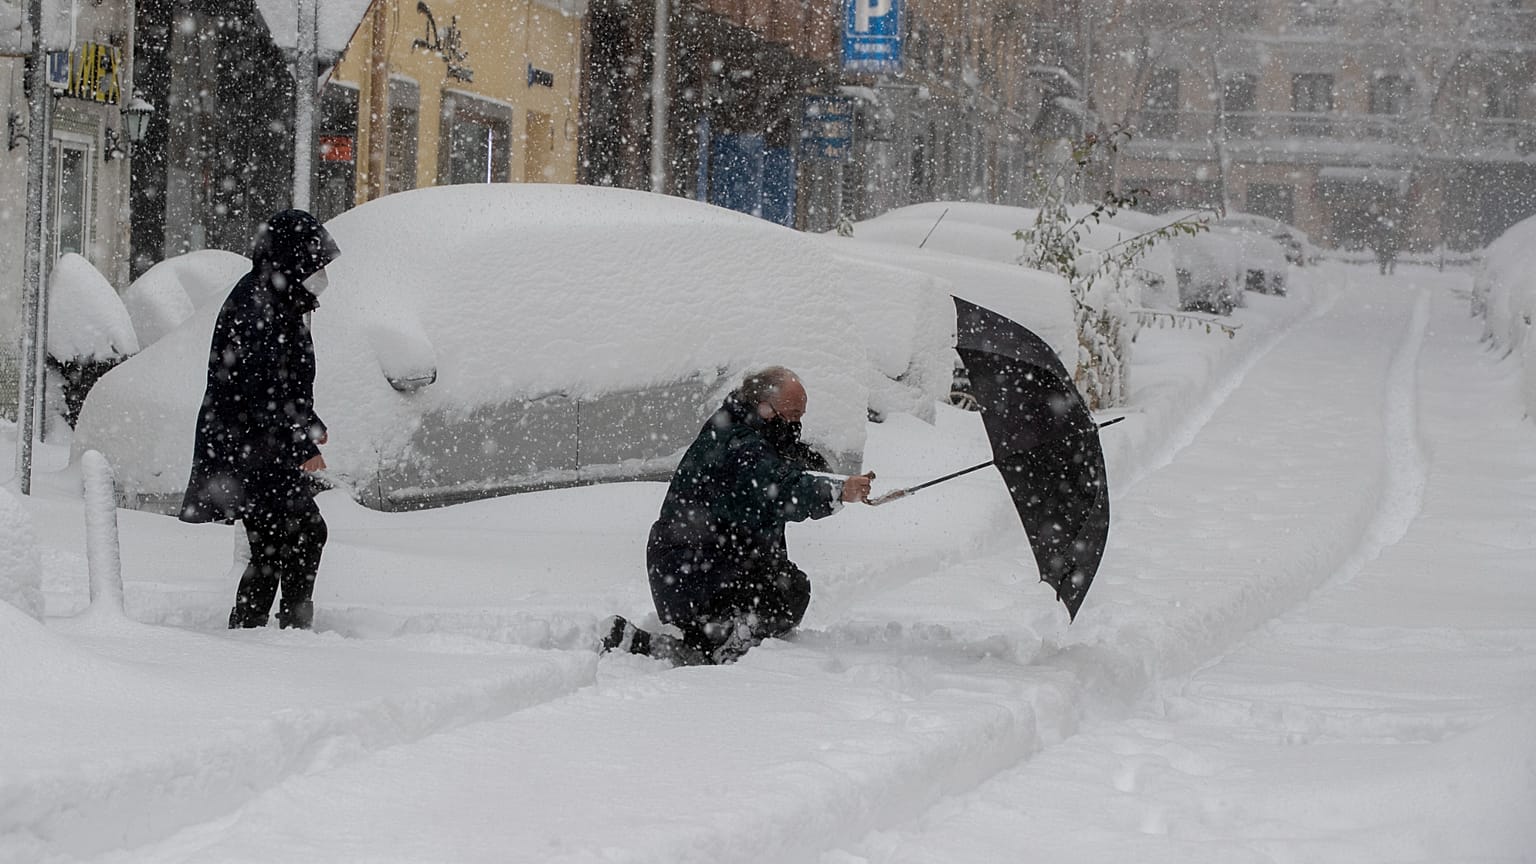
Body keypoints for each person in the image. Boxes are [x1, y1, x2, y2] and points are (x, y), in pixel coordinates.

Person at [601, 366, 873, 665]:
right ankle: (716, 646)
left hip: (691, 568)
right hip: (697, 569)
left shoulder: (743, 429)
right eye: (793, 413)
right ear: (765, 407)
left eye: (802, 415)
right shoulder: (740, 443)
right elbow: (780, 487)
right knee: (788, 592)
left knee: (781, 585)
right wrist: (836, 491)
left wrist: (829, 478)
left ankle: (662, 642)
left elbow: (782, 466)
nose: (797, 423)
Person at [180, 209, 340, 630]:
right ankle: (287, 626)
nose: (321, 273)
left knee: (273, 540)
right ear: (293, 257)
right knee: (304, 532)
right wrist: (301, 443)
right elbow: (261, 389)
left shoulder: (276, 297)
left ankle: (257, 627)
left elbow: (282, 382)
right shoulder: (260, 305)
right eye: (316, 262)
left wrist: (310, 423)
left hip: (256, 444)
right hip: (251, 446)